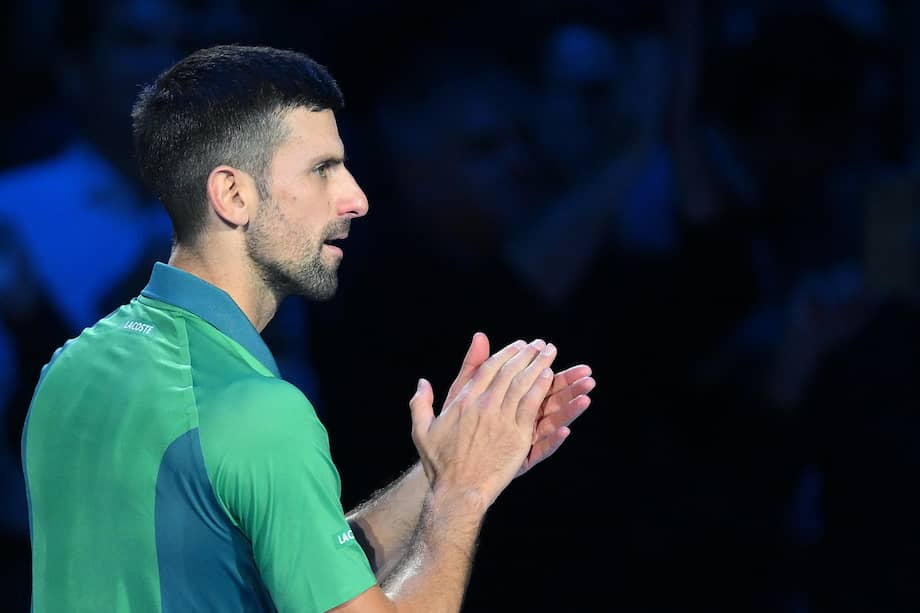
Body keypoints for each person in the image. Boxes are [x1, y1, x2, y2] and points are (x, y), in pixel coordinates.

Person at [21, 44, 595, 612]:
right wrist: (464, 493)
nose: (357, 199)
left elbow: (276, 559)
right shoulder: (256, 412)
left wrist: (442, 467)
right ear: (233, 194)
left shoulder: (71, 366)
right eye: (323, 169)